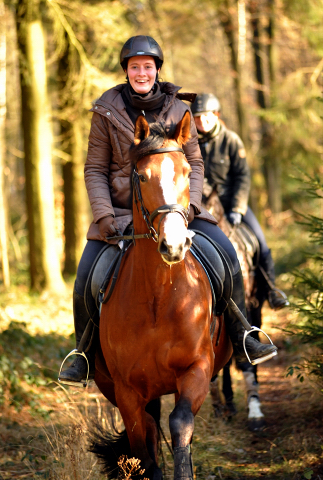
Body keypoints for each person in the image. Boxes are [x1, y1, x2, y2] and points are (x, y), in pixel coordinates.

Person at [58, 36, 278, 385]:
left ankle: (242, 334)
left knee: (226, 254)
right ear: (126, 71)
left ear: (157, 70)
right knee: (85, 277)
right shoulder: (105, 110)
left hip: (177, 211)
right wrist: (103, 216)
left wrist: (189, 207)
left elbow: (194, 162)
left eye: (148, 66)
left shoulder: (179, 109)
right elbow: (95, 170)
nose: (141, 73)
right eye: (135, 67)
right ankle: (82, 355)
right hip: (120, 215)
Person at [191, 93, 289, 310]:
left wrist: (237, 208)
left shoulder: (231, 140)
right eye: (197, 118)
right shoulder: (190, 143)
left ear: (216, 115)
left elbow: (243, 177)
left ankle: (272, 290)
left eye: (206, 116)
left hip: (232, 202)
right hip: (201, 207)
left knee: (260, 243)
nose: (202, 122)